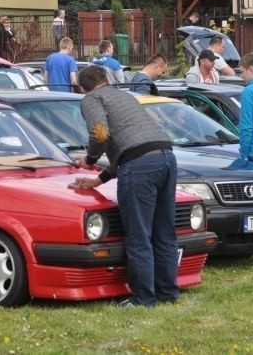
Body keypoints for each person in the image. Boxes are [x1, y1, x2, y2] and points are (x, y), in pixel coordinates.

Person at [71, 65, 178, 308]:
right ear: (106, 78)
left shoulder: (91, 99)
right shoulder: (124, 96)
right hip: (167, 157)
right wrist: (99, 180)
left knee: (139, 235)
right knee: (164, 232)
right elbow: (133, 145)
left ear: (82, 87)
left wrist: (89, 160)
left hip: (140, 165)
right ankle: (168, 293)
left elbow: (100, 134)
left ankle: (143, 298)